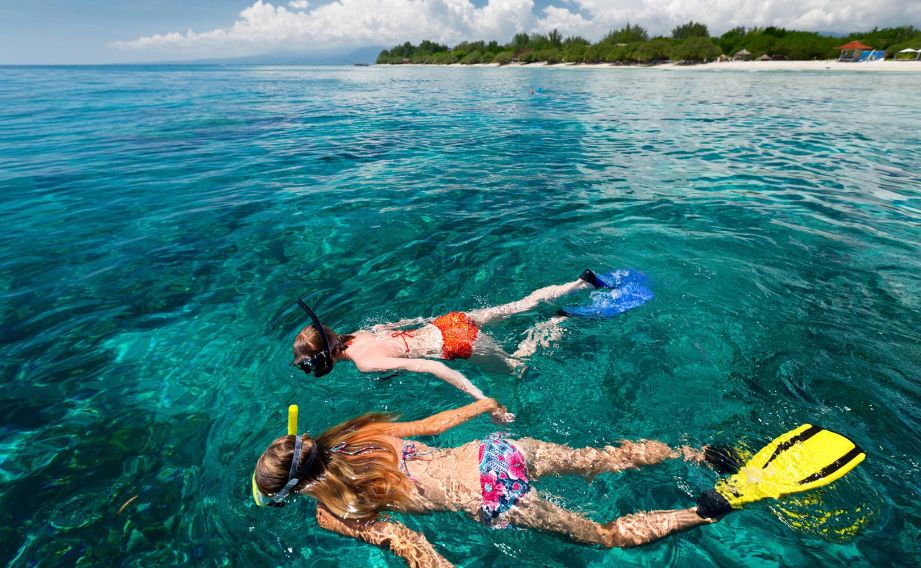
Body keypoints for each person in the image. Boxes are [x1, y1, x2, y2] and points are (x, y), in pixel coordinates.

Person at [252, 399, 721, 568]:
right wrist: (481, 406)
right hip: (496, 450)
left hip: (494, 496)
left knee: (607, 537)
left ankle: (704, 511)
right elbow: (435, 425)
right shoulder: (360, 436)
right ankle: (692, 452)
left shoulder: (333, 510)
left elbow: (411, 544)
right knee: (602, 460)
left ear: (294, 490)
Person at [292, 270, 617, 422]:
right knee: (520, 305)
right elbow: (407, 323)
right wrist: (433, 319)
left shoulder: (364, 362)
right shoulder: (358, 334)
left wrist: (481, 400)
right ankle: (581, 283)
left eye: (310, 364)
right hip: (448, 322)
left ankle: (558, 321)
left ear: (325, 358)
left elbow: (432, 365)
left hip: (456, 343)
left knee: (517, 368)